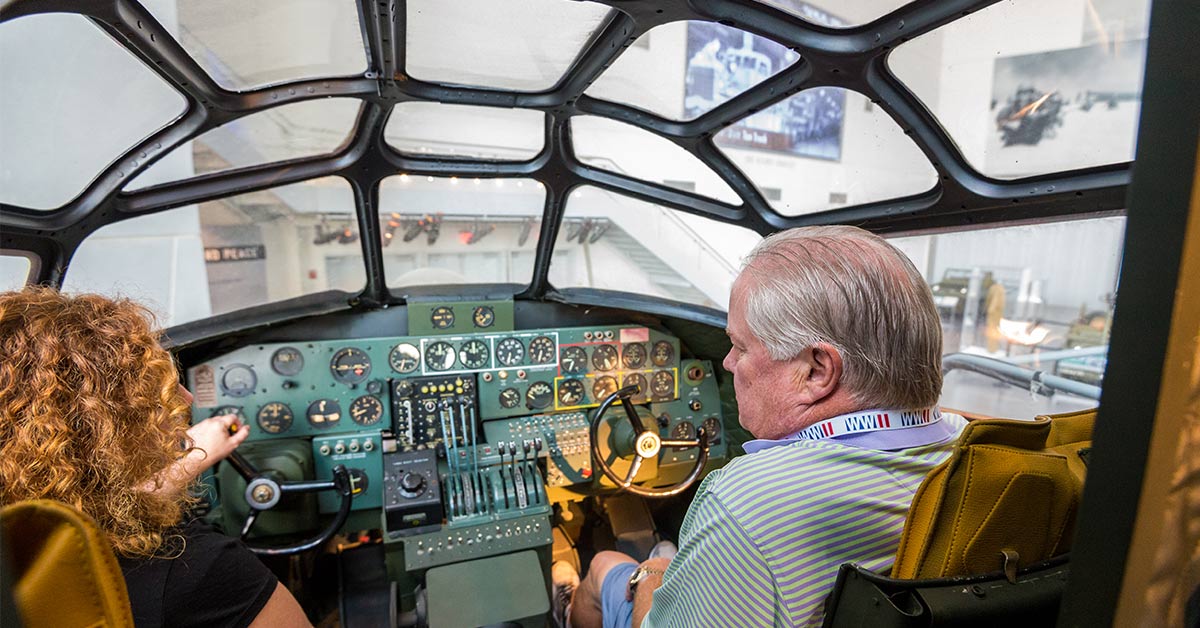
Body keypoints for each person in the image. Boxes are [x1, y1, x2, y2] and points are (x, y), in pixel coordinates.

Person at [556, 226, 969, 627]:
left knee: (608, 565)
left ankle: (568, 596)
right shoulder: (972, 447)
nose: (727, 363)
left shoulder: (746, 503)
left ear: (816, 371)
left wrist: (652, 575)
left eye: (741, 346)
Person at [0, 287, 310, 628]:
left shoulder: (21, 552)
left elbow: (103, 510)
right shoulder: (198, 570)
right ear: (105, 422)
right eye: (153, 389)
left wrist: (195, 457)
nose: (187, 399)